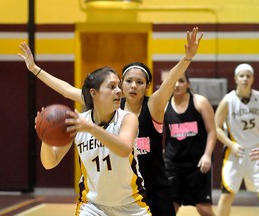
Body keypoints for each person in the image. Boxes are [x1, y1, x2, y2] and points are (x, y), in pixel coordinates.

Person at [18, 27, 203, 216]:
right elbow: (67, 90)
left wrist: (186, 58)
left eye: (139, 82)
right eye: (127, 81)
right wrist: (35, 70)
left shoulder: (146, 109)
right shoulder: (99, 108)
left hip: (146, 189)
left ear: (147, 87)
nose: (132, 86)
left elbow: (169, 81)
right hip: (97, 202)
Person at [38, 66, 152, 215]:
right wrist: (46, 136)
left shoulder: (127, 119)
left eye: (118, 86)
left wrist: (91, 129)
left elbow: (124, 149)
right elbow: (49, 162)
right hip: (92, 206)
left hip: (131, 205)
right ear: (94, 93)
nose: (119, 90)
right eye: (112, 87)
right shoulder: (78, 122)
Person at [215, 63, 259, 216]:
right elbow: (216, 127)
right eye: (242, 76)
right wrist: (230, 145)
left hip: (258, 151)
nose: (245, 79)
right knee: (226, 195)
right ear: (236, 78)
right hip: (235, 152)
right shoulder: (228, 100)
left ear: (253, 78)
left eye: (248, 76)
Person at [163, 71, 216, 216]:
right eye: (173, 81)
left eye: (181, 81)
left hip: (197, 164)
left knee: (203, 208)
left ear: (188, 84)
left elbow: (212, 131)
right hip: (173, 165)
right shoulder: (164, 106)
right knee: (170, 207)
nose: (177, 84)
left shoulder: (200, 102)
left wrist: (207, 155)